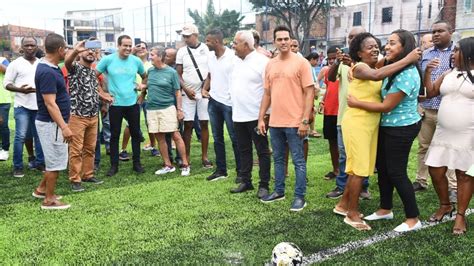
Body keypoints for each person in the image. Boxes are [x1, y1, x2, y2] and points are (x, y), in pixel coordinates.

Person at [333, 32, 421, 231]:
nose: (375, 49)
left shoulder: (375, 65)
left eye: (377, 46)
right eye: (369, 47)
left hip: (371, 125)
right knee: (359, 170)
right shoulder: (362, 67)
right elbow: (376, 75)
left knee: (359, 167)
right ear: (358, 52)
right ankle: (352, 213)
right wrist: (409, 58)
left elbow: (384, 68)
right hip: (358, 124)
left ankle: (343, 205)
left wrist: (404, 60)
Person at [257, 25, 315, 212]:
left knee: (298, 161)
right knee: (279, 160)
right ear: (274, 42)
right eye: (279, 39)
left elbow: (309, 92)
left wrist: (305, 120)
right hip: (275, 122)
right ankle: (279, 191)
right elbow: (267, 94)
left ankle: (300, 197)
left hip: (296, 122)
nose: (283, 42)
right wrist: (261, 118)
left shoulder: (301, 63)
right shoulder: (270, 64)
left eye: (286, 39)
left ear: (291, 41)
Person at [423, 37, 474, 235]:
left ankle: (460, 215)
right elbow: (430, 93)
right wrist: (428, 72)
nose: (453, 54)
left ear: (469, 53)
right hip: (443, 133)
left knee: (464, 174)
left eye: (457, 51)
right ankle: (445, 205)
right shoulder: (448, 73)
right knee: (435, 169)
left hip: (468, 134)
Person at [325, 27, 371, 200]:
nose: (353, 39)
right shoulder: (342, 60)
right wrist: (337, 62)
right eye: (350, 37)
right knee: (344, 154)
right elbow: (330, 79)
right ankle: (341, 186)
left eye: (356, 36)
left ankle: (363, 187)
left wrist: (351, 62)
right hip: (344, 115)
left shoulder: (368, 59)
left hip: (363, 116)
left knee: (361, 153)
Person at [413, 21, 457, 201]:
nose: (436, 34)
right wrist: (419, 103)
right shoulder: (425, 54)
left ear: (450, 32)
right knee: (423, 146)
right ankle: (421, 180)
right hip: (427, 108)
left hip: (449, 110)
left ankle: (453, 186)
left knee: (450, 148)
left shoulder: (457, 53)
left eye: (440, 31)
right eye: (434, 32)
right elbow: (419, 80)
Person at [65, 39, 112, 192]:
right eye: (88, 49)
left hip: (93, 116)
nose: (91, 52)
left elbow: (95, 90)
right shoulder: (74, 68)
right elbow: (67, 62)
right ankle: (75, 180)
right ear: (81, 53)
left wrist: (104, 97)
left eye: (94, 50)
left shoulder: (93, 72)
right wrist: (76, 50)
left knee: (90, 148)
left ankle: (88, 175)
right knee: (76, 150)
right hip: (77, 116)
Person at [96, 35, 146, 176]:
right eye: (125, 45)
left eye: (130, 46)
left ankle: (137, 164)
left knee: (136, 134)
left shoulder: (136, 61)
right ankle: (114, 166)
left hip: (132, 103)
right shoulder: (108, 60)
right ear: (118, 46)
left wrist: (142, 92)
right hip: (115, 104)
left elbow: (145, 76)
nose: (128, 48)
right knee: (114, 135)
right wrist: (103, 94)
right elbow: (94, 76)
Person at [229, 30, 271, 198]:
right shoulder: (236, 61)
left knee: (262, 151)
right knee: (243, 149)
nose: (233, 45)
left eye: (235, 42)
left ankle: (264, 184)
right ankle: (246, 181)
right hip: (238, 115)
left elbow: (269, 91)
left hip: (256, 116)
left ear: (246, 45)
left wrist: (266, 115)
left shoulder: (263, 62)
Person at [32, 33, 71, 210]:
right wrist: (64, 126)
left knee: (54, 158)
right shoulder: (47, 71)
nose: (67, 51)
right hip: (51, 124)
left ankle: (41, 189)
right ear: (60, 50)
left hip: (52, 123)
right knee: (55, 161)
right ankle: (49, 200)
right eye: (66, 48)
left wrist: (76, 51)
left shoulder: (50, 66)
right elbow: (50, 103)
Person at [141, 46, 190, 176]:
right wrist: (141, 90)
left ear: (160, 57)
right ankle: (168, 165)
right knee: (159, 137)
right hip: (151, 108)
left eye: (152, 54)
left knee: (176, 135)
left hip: (167, 107)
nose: (150, 56)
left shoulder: (171, 72)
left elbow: (178, 92)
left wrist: (179, 110)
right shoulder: (150, 71)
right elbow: (146, 85)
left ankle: (185, 164)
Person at [203, 29, 241, 182]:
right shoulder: (210, 57)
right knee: (217, 138)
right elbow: (210, 75)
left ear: (216, 42)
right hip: (213, 102)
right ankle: (221, 170)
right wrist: (204, 89)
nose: (206, 44)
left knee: (235, 138)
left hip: (230, 104)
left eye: (208, 41)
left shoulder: (232, 57)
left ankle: (241, 172)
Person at [4, 37, 45, 177]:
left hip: (38, 106)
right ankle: (18, 166)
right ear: (21, 47)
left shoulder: (41, 63)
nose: (29, 48)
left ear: (37, 47)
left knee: (39, 136)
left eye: (32, 45)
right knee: (20, 136)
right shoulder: (15, 64)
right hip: (22, 106)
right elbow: (7, 84)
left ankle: (39, 163)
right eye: (26, 45)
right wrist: (21, 90)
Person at [176, 24, 212, 168]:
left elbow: (210, 72)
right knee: (188, 124)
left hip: (203, 91)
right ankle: (186, 157)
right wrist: (186, 88)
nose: (186, 38)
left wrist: (205, 88)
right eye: (184, 36)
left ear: (196, 35)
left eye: (188, 36)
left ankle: (205, 157)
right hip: (187, 92)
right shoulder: (181, 51)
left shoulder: (206, 49)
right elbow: (178, 73)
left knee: (204, 123)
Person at [319, 46, 339, 180]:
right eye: (330, 58)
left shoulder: (347, 69)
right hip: (329, 111)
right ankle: (336, 169)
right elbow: (327, 88)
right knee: (332, 142)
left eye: (334, 58)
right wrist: (322, 102)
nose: (332, 61)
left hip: (342, 112)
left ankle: (344, 171)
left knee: (343, 144)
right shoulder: (327, 72)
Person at [306, 52, 322, 138]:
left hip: (312, 92)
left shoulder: (311, 67)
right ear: (311, 59)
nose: (317, 62)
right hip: (308, 93)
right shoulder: (307, 66)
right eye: (316, 60)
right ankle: (310, 130)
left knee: (313, 110)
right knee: (311, 110)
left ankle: (311, 129)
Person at [0, 55, 10, 161]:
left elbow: (9, 72)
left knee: (2, 125)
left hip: (2, 99)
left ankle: (5, 149)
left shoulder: (3, 60)